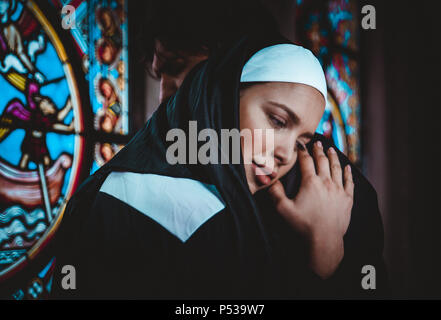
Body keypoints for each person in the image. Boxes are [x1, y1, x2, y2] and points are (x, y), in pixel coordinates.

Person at [52, 30, 386, 298]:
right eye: (160, 74)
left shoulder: (335, 193)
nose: (167, 93)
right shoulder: (126, 197)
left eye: (181, 68)